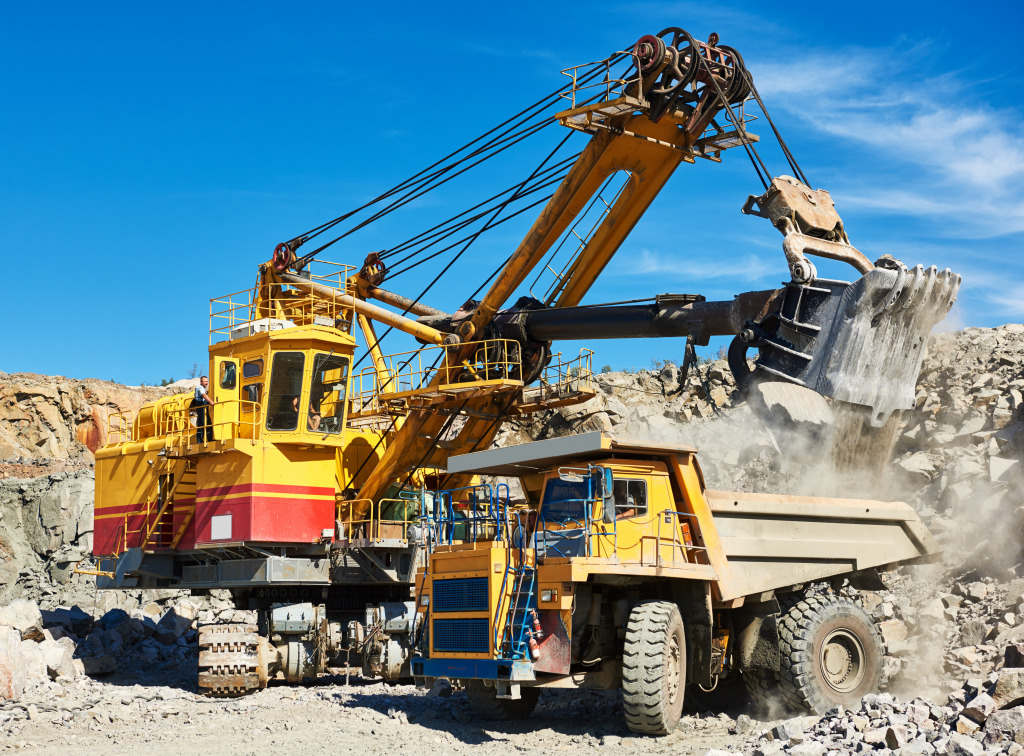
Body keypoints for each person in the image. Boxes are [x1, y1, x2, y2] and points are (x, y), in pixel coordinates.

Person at [193, 375, 214, 443]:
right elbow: (204, 395)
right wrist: (210, 401)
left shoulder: (200, 388)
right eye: (205, 381)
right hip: (201, 407)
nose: (206, 383)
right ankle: (210, 439)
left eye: (207, 381)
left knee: (201, 424)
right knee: (207, 423)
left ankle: (199, 441)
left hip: (201, 407)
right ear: (201, 382)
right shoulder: (200, 388)